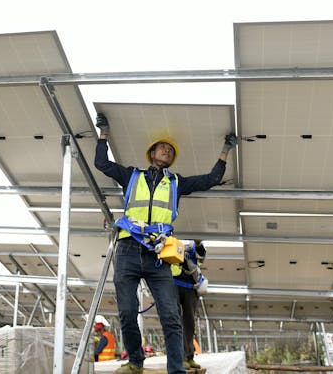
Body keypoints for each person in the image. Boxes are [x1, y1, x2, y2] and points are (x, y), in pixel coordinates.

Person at [94, 112, 237, 374]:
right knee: (127, 311)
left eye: (170, 150)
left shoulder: (176, 183)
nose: (167, 150)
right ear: (151, 153)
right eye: (162, 147)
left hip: (158, 255)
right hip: (127, 250)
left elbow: (210, 179)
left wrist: (225, 150)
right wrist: (103, 134)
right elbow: (101, 163)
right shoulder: (131, 176)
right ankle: (136, 362)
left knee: (171, 316)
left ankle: (176, 370)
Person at [173, 240, 207, 370]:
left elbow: (201, 256)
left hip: (190, 286)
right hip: (173, 283)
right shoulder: (169, 233)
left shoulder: (193, 240)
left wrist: (198, 244)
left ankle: (189, 357)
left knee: (189, 323)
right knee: (175, 321)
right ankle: (179, 358)